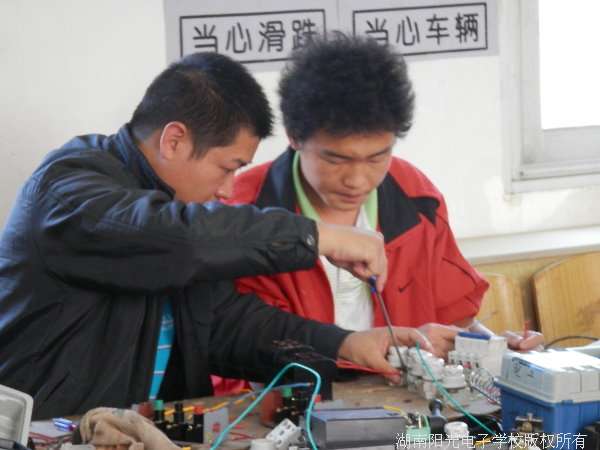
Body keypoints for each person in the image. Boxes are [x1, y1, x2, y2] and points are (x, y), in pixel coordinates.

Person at [0, 52, 430, 419]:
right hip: (47, 434)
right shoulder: (67, 188)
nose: (228, 190)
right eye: (227, 168)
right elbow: (176, 241)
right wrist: (317, 236)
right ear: (174, 141)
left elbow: (227, 325)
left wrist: (346, 344)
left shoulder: (176, 217)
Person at [232, 34, 544, 360]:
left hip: (405, 391)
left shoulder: (417, 197)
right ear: (294, 137)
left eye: (377, 157)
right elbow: (234, 350)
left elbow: (456, 322)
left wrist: (499, 352)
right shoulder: (242, 214)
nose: (357, 180)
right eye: (336, 160)